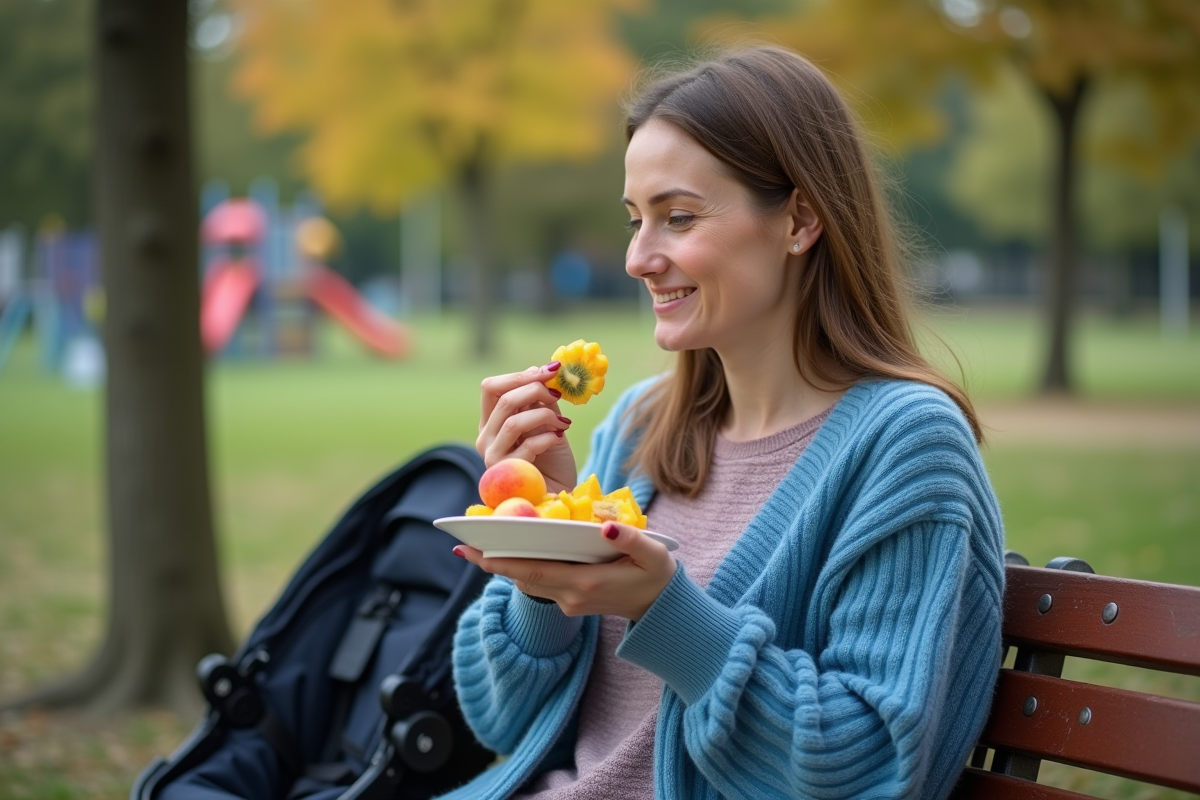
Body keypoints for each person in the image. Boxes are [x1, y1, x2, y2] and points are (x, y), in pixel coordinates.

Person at [444, 45, 1005, 800]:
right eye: (636, 220)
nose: (640, 258)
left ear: (800, 219)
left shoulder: (905, 445)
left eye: (678, 217)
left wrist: (663, 610)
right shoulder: (641, 427)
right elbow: (500, 722)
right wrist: (543, 558)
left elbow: (868, 766)